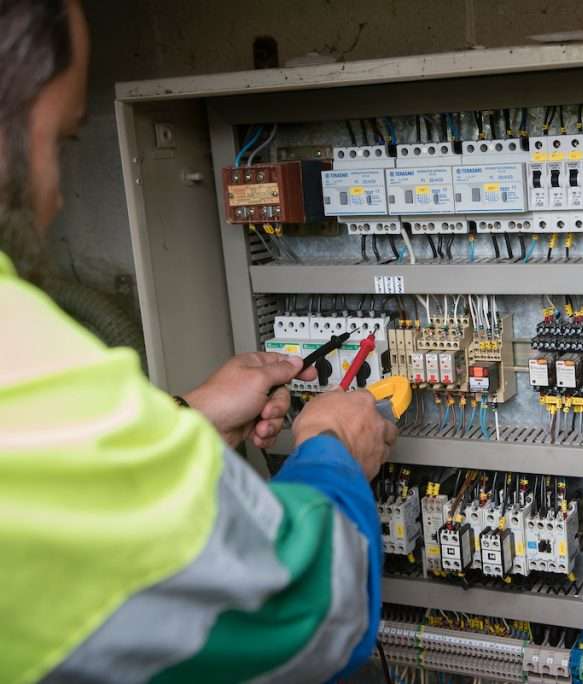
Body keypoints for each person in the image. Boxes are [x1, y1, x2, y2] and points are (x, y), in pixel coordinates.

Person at [0, 1, 398, 682]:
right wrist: (330, 449)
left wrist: (188, 418)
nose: (60, 196)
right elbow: (305, 605)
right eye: (62, 141)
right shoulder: (25, 356)